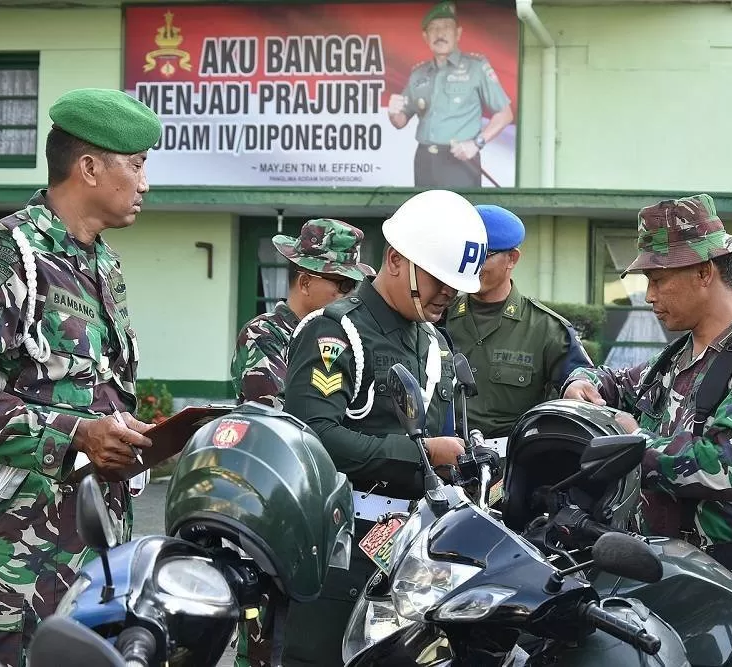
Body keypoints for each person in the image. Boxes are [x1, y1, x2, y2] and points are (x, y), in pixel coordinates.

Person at [0, 88, 161, 666]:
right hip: (16, 572)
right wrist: (76, 435)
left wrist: (129, 434)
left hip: (99, 560)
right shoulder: (5, 252)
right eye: (138, 165)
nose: (146, 183)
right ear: (91, 167)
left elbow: (94, 390)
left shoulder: (103, 264)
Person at [561, 194, 732, 620]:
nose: (649, 296)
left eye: (658, 280)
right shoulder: (681, 356)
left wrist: (632, 443)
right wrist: (581, 381)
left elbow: (727, 467)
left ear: (704, 272)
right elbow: (617, 381)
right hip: (669, 574)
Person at [279, 189, 489, 666]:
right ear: (396, 260)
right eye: (438, 278)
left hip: (413, 552)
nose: (449, 293)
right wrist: (422, 455)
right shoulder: (336, 331)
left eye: (456, 284)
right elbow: (311, 438)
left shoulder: (433, 340)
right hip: (339, 545)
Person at [445, 204, 593, 451]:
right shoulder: (440, 316)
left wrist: (576, 387)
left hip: (511, 466)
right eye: (467, 254)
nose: (473, 265)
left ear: (512, 258)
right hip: (444, 461)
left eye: (483, 256)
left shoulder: (546, 329)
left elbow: (583, 387)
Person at [230, 218, 375, 410]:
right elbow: (278, 413)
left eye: (356, 285)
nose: (351, 295)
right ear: (305, 283)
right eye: (345, 285)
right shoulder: (263, 334)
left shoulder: (346, 335)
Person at [387, 1, 513, 188]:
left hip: (460, 160)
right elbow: (400, 121)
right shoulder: (418, 74)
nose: (440, 34)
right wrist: (393, 112)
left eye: (446, 27)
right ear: (425, 36)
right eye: (434, 28)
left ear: (458, 33)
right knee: (425, 215)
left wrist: (476, 143)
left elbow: (505, 114)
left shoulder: (476, 67)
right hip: (424, 160)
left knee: (461, 215)